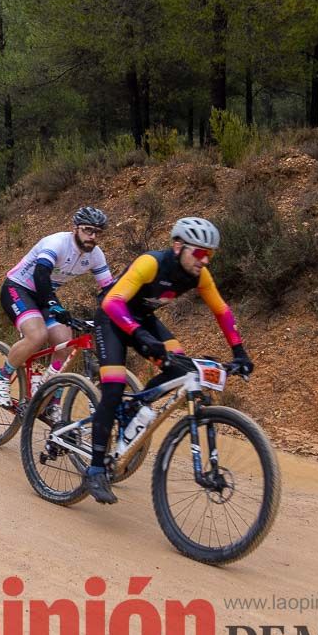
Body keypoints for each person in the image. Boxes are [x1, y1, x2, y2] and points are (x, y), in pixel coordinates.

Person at [84, 216, 255, 505]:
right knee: (112, 388)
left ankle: (136, 405)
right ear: (178, 246)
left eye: (210, 255)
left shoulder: (199, 275)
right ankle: (96, 468)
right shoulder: (151, 263)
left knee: (179, 364)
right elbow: (111, 303)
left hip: (144, 321)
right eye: (200, 253)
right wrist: (140, 335)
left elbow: (222, 311)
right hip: (112, 320)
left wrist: (239, 352)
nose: (205, 261)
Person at [0, 206, 114, 409]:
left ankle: (50, 399)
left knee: (66, 344)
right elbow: (40, 274)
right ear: (74, 228)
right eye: (88, 230)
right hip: (18, 288)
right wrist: (53, 304)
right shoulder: (56, 243)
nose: (92, 236)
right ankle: (2, 376)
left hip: (44, 294)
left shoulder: (95, 255)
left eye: (98, 233)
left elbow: (109, 289)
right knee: (37, 336)